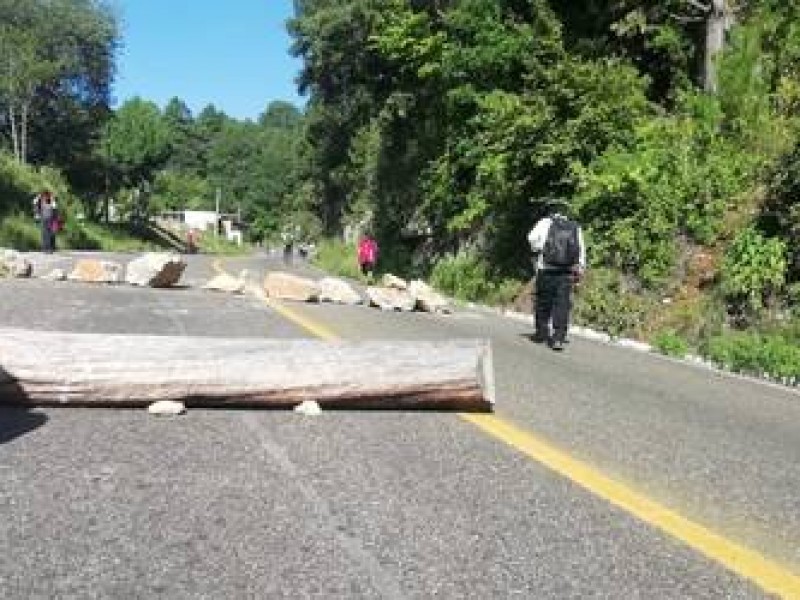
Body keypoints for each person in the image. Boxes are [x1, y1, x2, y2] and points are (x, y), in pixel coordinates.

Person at [527, 201, 586, 351]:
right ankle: (558, 337)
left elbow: (532, 238)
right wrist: (580, 268)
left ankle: (541, 332)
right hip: (566, 271)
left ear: (551, 211)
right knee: (562, 304)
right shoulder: (574, 226)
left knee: (543, 301)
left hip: (546, 268)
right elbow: (580, 249)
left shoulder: (545, 222)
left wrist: (540, 248)